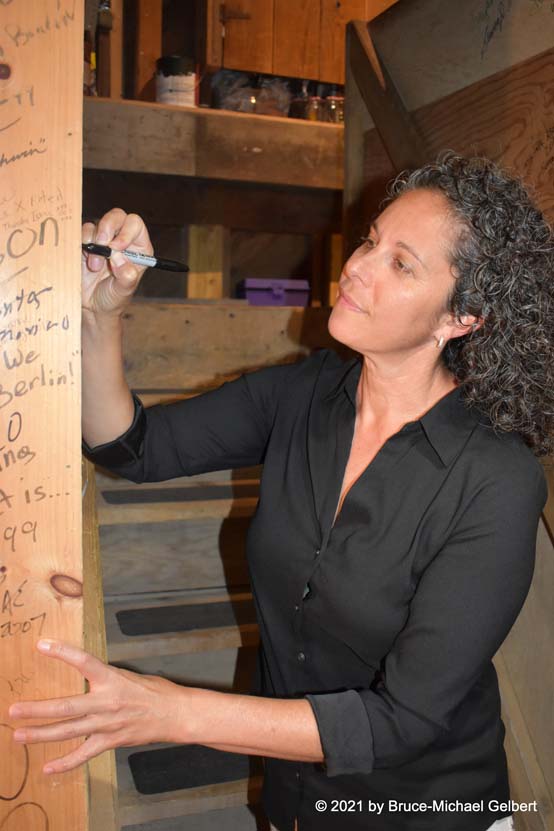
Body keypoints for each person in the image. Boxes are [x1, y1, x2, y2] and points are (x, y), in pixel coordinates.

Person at [9, 152, 553, 831]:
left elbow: (402, 719)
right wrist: (102, 313)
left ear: (462, 317)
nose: (357, 266)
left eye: (401, 264)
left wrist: (168, 708)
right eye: (371, 241)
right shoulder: (303, 393)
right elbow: (131, 445)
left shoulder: (495, 479)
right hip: (295, 806)